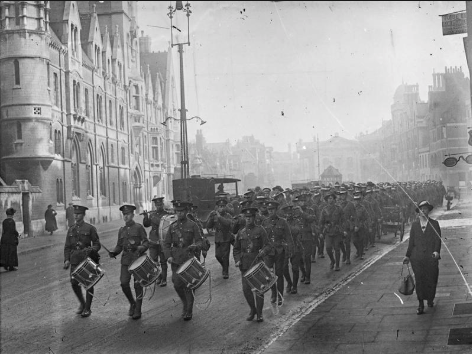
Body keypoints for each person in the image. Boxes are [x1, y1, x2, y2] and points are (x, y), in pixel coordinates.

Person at [163, 201, 203, 321]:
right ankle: (185, 303)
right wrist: (168, 256)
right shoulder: (173, 226)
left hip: (188, 260)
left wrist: (195, 246)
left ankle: (189, 309)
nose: (179, 214)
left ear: (186, 212)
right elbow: (166, 244)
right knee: (176, 284)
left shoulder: (193, 225)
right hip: (176, 260)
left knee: (189, 286)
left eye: (181, 211)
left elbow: (200, 241)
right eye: (177, 211)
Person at [108, 204, 149, 320]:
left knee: (137, 285)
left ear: (133, 214)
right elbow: (119, 246)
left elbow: (146, 243)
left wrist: (140, 248)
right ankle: (132, 302)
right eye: (124, 214)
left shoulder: (139, 227)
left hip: (137, 260)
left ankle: (138, 309)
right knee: (124, 283)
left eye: (128, 214)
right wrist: (114, 252)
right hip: (126, 260)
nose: (126, 216)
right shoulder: (122, 230)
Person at [233, 207, 272, 322]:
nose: (248, 219)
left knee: (259, 289)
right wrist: (237, 260)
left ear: (254, 218)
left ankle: (259, 313)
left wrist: (263, 251)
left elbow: (268, 245)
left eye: (250, 217)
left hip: (257, 263)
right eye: (246, 217)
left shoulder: (260, 230)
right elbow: (236, 249)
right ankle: (253, 309)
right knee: (246, 290)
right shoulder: (241, 232)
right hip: (245, 265)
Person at [403, 200, 441, 315]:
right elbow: (411, 242)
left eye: (425, 209)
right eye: (421, 209)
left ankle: (430, 298)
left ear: (428, 211)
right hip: (417, 258)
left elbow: (437, 240)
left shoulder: (434, 224)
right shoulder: (414, 225)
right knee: (419, 280)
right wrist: (407, 256)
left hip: (431, 257)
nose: (423, 211)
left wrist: (436, 251)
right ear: (418, 212)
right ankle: (420, 304)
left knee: (431, 278)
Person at [63, 205, 101, 317]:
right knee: (74, 282)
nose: (76, 216)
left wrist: (91, 249)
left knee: (88, 283)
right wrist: (66, 260)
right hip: (75, 260)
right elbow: (67, 247)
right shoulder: (71, 229)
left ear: (83, 215)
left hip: (86, 260)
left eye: (78, 214)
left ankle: (88, 308)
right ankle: (82, 303)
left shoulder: (90, 228)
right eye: (75, 214)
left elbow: (97, 244)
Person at [262, 200, 294, 305]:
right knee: (270, 275)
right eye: (269, 209)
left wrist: (290, 251)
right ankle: (274, 294)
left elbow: (289, 238)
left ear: (276, 210)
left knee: (279, 274)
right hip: (268, 253)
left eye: (273, 209)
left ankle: (280, 295)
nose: (271, 211)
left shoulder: (283, 222)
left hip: (280, 251)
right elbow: (262, 239)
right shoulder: (265, 222)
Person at [143, 197, 171, 287]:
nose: (159, 206)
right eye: (157, 205)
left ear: (162, 205)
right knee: (153, 260)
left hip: (163, 240)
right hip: (153, 240)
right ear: (155, 205)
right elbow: (146, 225)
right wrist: (145, 217)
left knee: (163, 261)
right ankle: (158, 276)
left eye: (160, 205)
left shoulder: (167, 215)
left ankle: (164, 279)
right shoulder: (152, 214)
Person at [206, 199, 233, 279]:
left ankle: (225, 272)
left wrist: (219, 217)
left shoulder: (228, 215)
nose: (222, 208)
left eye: (223, 206)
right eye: (220, 207)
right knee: (217, 255)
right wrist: (211, 218)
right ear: (217, 207)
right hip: (218, 238)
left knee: (225, 256)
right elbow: (209, 226)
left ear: (225, 207)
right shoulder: (214, 215)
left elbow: (227, 224)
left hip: (226, 238)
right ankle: (225, 266)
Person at [319, 192, 346, 271]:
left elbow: (343, 220)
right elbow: (321, 221)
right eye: (328, 199)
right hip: (328, 231)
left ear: (334, 199)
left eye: (331, 198)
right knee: (328, 248)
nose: (329, 200)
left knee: (337, 249)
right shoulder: (324, 210)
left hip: (337, 231)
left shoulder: (339, 208)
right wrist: (321, 232)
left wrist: (343, 229)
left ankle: (337, 265)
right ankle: (332, 260)